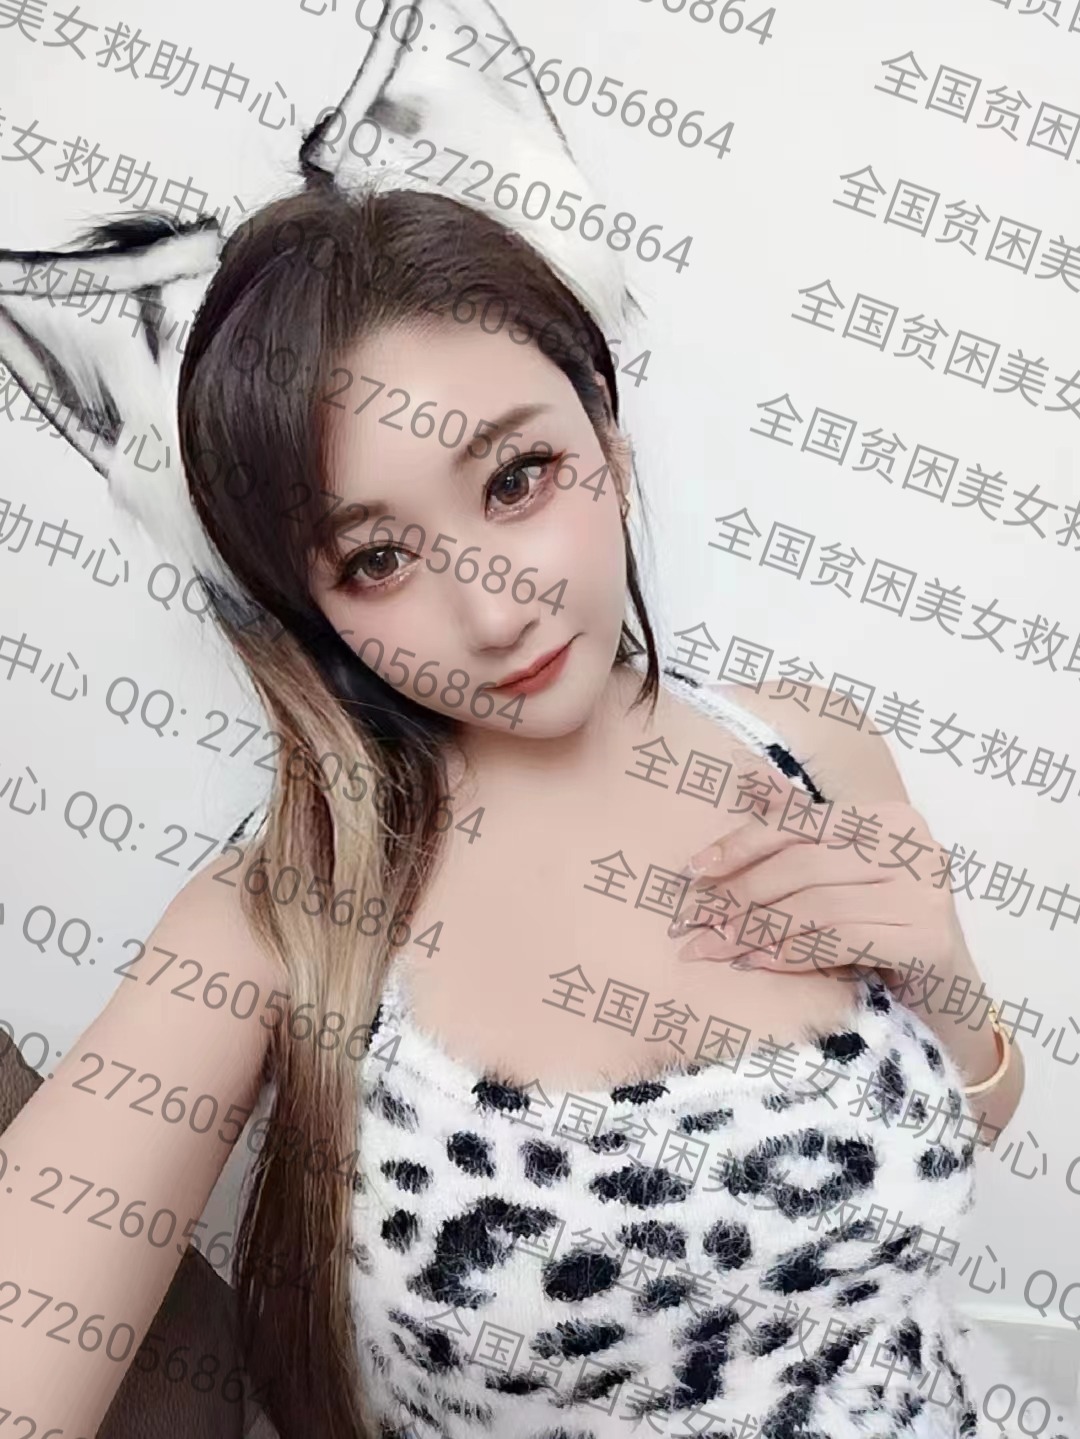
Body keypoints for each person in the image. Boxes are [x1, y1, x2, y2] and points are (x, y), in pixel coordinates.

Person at [0, 4, 1061, 1438]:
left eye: (517, 480)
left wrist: (950, 994)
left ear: (606, 437)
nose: (493, 611)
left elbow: (947, 1133)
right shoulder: (280, 920)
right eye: (378, 559)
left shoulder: (812, 749)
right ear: (312, 605)